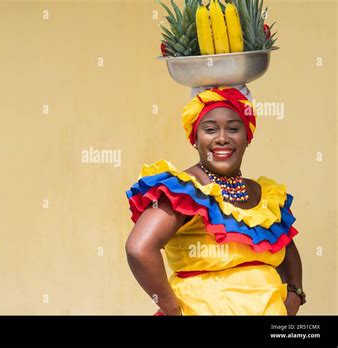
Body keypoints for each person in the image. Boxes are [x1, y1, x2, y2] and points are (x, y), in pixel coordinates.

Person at [125, 86, 305, 315]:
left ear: (247, 137)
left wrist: (295, 291)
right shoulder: (185, 189)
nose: (222, 138)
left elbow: (286, 246)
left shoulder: (263, 194)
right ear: (195, 139)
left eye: (233, 128)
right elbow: (139, 248)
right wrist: (171, 308)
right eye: (210, 129)